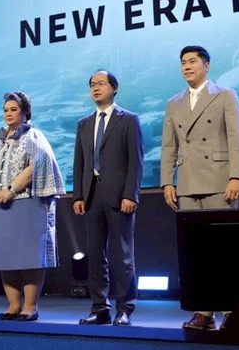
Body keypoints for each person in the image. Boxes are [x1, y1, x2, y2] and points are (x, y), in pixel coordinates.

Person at [160, 45, 239, 331]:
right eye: (183, 62)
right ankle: (204, 312)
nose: (186, 66)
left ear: (206, 65)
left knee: (225, 250)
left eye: (192, 61)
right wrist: (167, 181)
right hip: (187, 183)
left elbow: (237, 138)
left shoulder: (225, 95)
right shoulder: (174, 103)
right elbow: (168, 146)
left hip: (220, 181)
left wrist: (237, 176)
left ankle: (231, 310)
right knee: (195, 252)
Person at [0, 91, 65, 322]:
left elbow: (35, 167)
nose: (9, 114)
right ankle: (13, 306)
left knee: (29, 257)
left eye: (14, 109)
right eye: (6, 110)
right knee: (5, 257)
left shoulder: (34, 137)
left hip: (27, 204)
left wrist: (10, 190)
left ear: (25, 113)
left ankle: (30, 307)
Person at [72, 70, 144, 327]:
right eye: (92, 84)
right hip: (92, 197)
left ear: (114, 88)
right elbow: (79, 163)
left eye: (101, 83)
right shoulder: (84, 123)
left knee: (123, 255)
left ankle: (124, 309)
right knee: (94, 255)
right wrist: (78, 195)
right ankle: (99, 308)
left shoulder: (129, 120)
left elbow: (136, 161)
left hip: (119, 196)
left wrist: (130, 194)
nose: (95, 88)